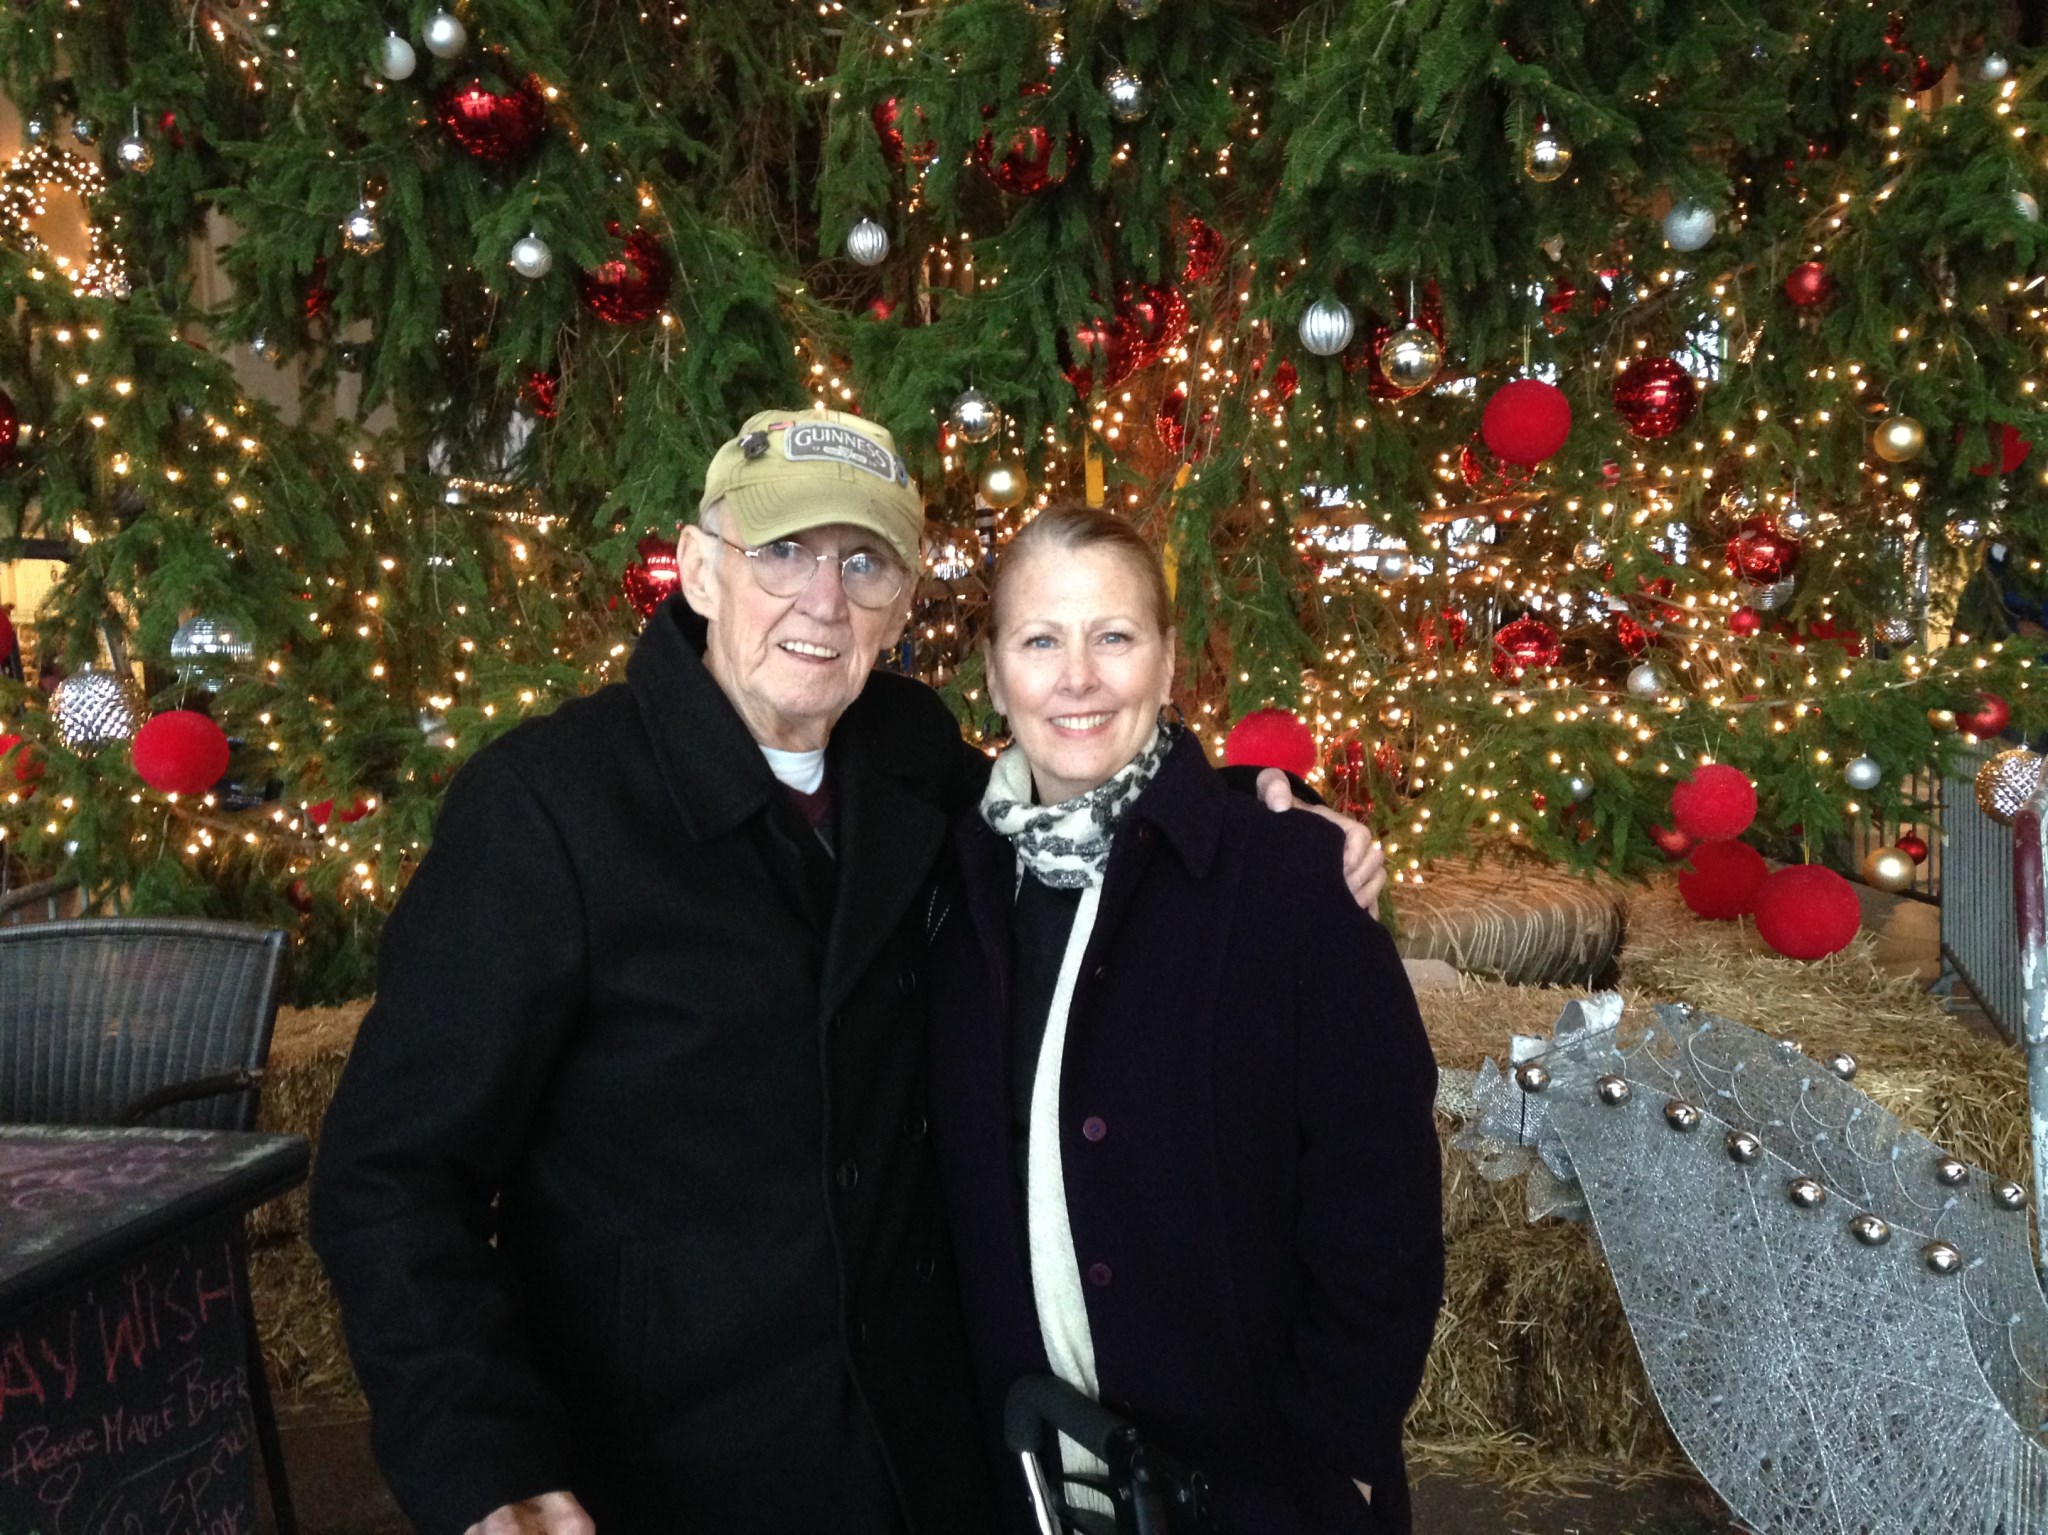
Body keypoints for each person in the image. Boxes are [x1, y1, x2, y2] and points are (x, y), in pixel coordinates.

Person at [310, 409, 1387, 1535]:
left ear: (901, 604)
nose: (823, 600)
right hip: (670, 1472)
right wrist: (482, 1461)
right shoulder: (548, 810)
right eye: (783, 551)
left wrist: (1254, 814)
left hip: (927, 1463)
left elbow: (1079, 785)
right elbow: (391, 1176)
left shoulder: (906, 755)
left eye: (863, 563)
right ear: (699, 570)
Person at [926, 506, 1443, 1535]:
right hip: (1027, 1480)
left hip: (1258, 1491)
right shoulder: (950, 881)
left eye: (1113, 636)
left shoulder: (1285, 876)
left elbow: (1379, 1189)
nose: (1077, 677)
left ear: (1166, 663)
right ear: (993, 674)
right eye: (1040, 640)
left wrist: (1336, 1453)